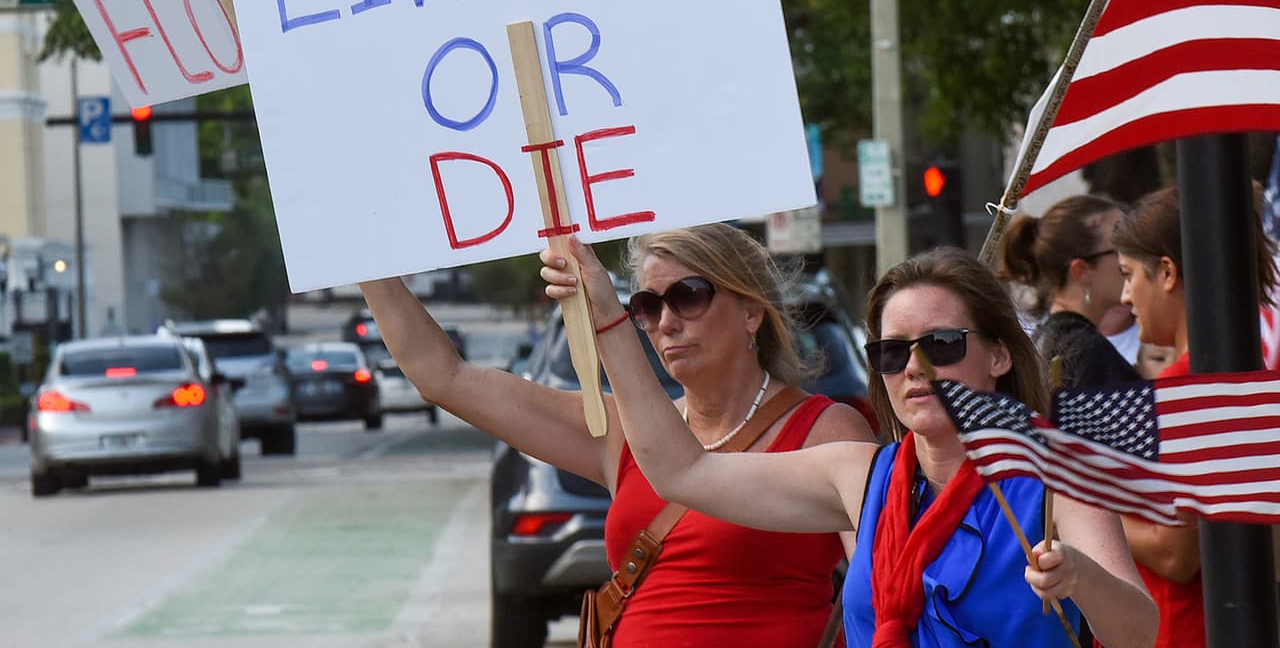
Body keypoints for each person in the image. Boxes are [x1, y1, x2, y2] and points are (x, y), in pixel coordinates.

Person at [543, 239, 1157, 647]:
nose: (914, 369)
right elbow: (679, 471)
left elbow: (1139, 630)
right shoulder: (858, 475)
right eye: (892, 352)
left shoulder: (1057, 474)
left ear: (998, 354)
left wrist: (1079, 578)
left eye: (941, 345)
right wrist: (608, 315)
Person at [360, 223, 874, 647]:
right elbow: (443, 377)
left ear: (752, 311)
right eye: (648, 307)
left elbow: (883, 583)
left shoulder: (827, 431)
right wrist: (359, 256)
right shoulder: (620, 432)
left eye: (687, 296)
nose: (665, 322)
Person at [1114, 184, 1280, 648]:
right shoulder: (1245, 373)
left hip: (1184, 629)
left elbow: (1176, 554)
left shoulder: (1185, 389)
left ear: (1166, 272)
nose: (1125, 296)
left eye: (1129, 275)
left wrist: (1090, 511)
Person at [999, 194, 1141, 389]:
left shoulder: (1052, 340)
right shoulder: (1086, 351)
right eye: (1121, 247)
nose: (1133, 257)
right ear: (1081, 271)